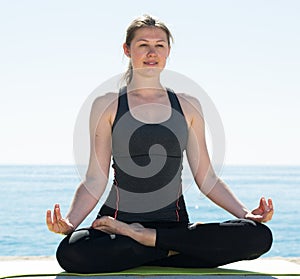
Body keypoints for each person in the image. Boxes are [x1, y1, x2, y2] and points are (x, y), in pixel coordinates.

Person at [46, 15, 274, 274]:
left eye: (160, 45)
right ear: (127, 50)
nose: (151, 52)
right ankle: (169, 249)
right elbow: (95, 178)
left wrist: (246, 214)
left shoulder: (188, 106)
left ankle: (148, 241)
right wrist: (71, 222)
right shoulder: (107, 105)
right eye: (143, 44)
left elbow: (206, 177)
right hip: (116, 226)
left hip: (171, 226)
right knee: (71, 253)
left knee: (259, 236)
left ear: (168, 51)